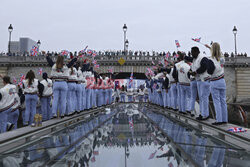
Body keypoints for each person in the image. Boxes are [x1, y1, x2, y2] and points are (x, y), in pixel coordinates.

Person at [206, 42, 228, 125]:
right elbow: (219, 53)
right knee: (223, 101)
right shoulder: (222, 58)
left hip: (214, 81)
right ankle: (225, 119)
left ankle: (219, 120)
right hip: (222, 81)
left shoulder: (210, 60)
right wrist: (210, 47)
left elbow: (209, 71)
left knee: (216, 101)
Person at [191, 47, 211, 120]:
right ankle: (202, 113)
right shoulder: (195, 59)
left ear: (196, 51)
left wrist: (195, 72)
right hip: (199, 80)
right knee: (201, 97)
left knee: (204, 97)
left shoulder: (203, 57)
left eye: (192, 52)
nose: (191, 54)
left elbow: (204, 67)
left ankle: (205, 114)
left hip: (204, 79)